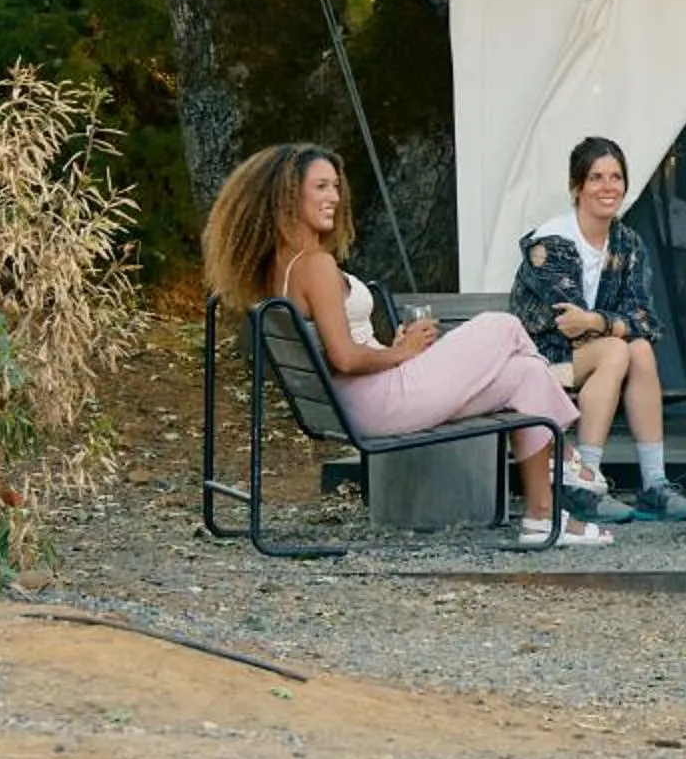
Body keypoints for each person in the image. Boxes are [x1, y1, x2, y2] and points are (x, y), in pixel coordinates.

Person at [203, 144, 610, 548]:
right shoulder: (315, 265)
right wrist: (404, 351)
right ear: (288, 195)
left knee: (524, 374)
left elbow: (342, 348)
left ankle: (541, 516)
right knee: (502, 326)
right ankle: (563, 455)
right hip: (376, 403)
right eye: (321, 186)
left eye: (336, 186)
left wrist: (391, 347)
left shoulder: (283, 265)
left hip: (365, 399)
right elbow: (345, 358)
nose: (334, 197)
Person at [510, 136, 686, 522]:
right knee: (618, 348)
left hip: (590, 358)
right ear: (577, 187)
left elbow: (647, 322)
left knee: (640, 349)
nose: (608, 186)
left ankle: (654, 484)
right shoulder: (550, 243)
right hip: (538, 365)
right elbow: (567, 326)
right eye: (596, 177)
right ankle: (585, 483)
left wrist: (597, 321)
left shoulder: (627, 243)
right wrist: (611, 325)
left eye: (616, 177)